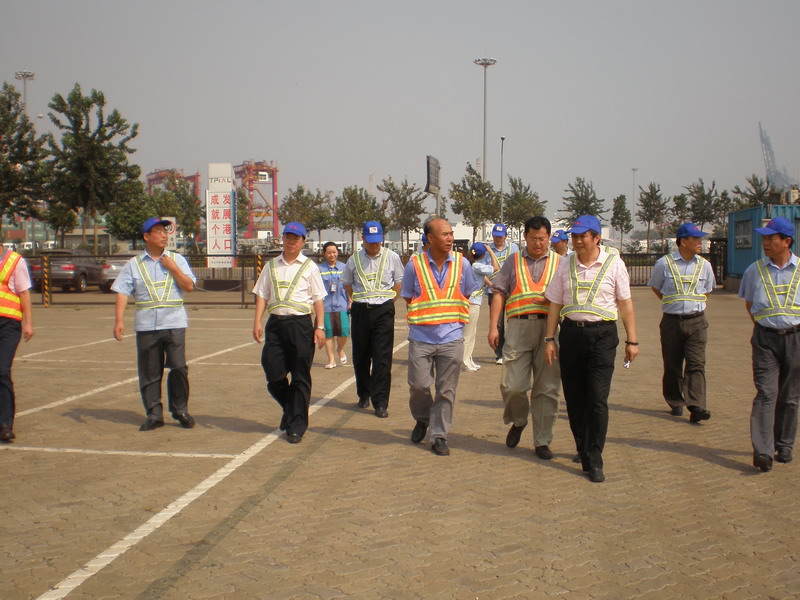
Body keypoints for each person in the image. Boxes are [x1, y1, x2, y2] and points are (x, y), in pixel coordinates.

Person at [544, 214, 639, 483]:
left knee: (597, 398)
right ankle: (583, 448)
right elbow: (555, 304)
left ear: (596, 238)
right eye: (574, 236)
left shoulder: (614, 264)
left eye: (582, 236)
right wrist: (549, 339)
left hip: (603, 337)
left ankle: (595, 458)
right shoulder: (564, 265)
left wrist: (632, 340)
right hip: (572, 336)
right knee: (575, 399)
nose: (577, 241)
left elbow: (625, 303)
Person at [401, 218, 480, 455]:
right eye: (444, 234)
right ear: (430, 238)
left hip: (451, 338)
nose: (450, 238)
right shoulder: (414, 265)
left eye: (451, 234)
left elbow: (467, 292)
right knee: (418, 386)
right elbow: (408, 296)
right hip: (421, 338)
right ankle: (423, 418)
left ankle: (439, 435)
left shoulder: (462, 264)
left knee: (446, 390)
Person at [113, 218, 197, 431]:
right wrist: (119, 321)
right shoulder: (134, 264)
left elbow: (189, 286)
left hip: (174, 323)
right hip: (147, 326)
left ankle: (180, 410)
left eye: (165, 231)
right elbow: (122, 292)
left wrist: (174, 269)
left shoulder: (177, 259)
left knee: (178, 367)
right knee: (150, 372)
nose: (163, 235)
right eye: (158, 231)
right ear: (146, 237)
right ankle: (154, 414)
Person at [489, 216, 562, 459]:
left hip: (549, 330)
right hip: (518, 328)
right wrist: (493, 327)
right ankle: (519, 420)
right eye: (533, 239)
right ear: (525, 237)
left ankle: (542, 440)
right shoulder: (513, 261)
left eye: (542, 239)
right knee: (512, 386)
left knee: (547, 388)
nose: (537, 243)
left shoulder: (561, 263)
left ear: (549, 238)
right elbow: (499, 293)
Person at [252, 222, 326, 444]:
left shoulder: (310, 267)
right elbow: (262, 294)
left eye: (296, 238)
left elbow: (318, 299)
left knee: (300, 376)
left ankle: (296, 426)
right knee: (273, 373)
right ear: (282, 239)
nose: (291, 242)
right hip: (275, 325)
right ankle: (291, 408)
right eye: (288, 237)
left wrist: (320, 327)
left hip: (301, 326)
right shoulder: (271, 266)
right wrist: (257, 322)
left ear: (303, 242)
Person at [739, 216, 800, 472]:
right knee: (766, 393)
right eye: (763, 238)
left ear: (787, 241)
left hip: (796, 338)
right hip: (765, 339)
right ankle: (763, 451)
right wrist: (766, 326)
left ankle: (784, 444)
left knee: (790, 396)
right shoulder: (754, 270)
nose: (765, 243)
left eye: (770, 238)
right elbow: (749, 304)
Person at [647, 222, 715, 422]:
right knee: (672, 365)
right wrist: (674, 304)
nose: (700, 242)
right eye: (696, 239)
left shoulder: (705, 265)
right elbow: (656, 288)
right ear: (683, 242)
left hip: (697, 322)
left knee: (696, 364)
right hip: (671, 322)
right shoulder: (664, 264)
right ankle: (675, 401)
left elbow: (707, 291)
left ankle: (696, 405)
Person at [342, 221, 404, 418]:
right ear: (362, 239)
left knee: (382, 358)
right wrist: (357, 300)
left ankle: (380, 402)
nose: (374, 245)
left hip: (383, 311)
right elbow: (347, 284)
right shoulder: (353, 259)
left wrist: (389, 302)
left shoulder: (392, 257)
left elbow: (399, 283)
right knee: (361, 356)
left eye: (377, 241)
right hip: (361, 311)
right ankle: (363, 394)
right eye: (370, 241)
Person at [0, 246, 34, 443]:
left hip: (8, 325)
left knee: (2, 370)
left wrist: (28, 323)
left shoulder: (14, 261)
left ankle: (5, 424)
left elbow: (24, 293)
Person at [478, 223, 519, 364]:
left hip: (512, 291)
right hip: (494, 291)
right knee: (498, 324)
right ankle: (500, 354)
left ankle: (512, 351)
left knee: (513, 322)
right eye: (496, 236)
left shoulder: (513, 248)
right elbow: (481, 271)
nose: (498, 239)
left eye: (500, 236)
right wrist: (492, 286)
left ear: (506, 236)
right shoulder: (486, 250)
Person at [462, 242, 498, 372]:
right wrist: (491, 251)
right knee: (468, 334)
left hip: (471, 301)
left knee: (472, 333)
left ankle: (469, 359)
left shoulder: (471, 265)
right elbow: (496, 267)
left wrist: (492, 286)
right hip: (473, 303)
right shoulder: (477, 266)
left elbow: (483, 278)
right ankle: (465, 362)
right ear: (483, 255)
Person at [319, 242, 350, 369]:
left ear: (337, 252)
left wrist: (350, 301)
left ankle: (340, 349)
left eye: (334, 252)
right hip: (325, 306)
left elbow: (348, 286)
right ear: (324, 254)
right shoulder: (320, 269)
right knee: (329, 333)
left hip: (342, 304)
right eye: (329, 252)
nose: (332, 255)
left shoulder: (344, 267)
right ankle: (331, 360)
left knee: (344, 332)